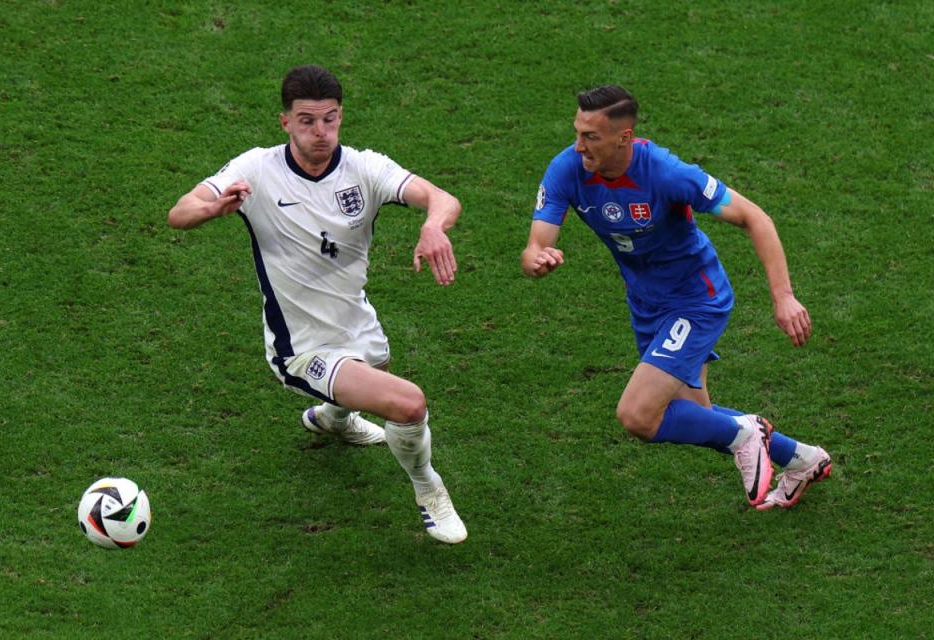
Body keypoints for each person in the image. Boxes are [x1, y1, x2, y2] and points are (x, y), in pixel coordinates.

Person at [168, 65, 467, 542]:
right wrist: (211, 207)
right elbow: (178, 213)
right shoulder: (256, 169)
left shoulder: (365, 168)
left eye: (329, 119)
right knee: (407, 404)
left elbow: (442, 197)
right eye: (307, 121)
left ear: (341, 117)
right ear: (285, 122)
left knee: (376, 366)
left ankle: (331, 419)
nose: (320, 132)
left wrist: (433, 226)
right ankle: (428, 488)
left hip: (355, 322)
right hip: (301, 346)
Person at [522, 85, 832, 509]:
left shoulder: (666, 173)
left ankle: (747, 432)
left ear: (624, 137)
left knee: (637, 415)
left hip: (696, 300)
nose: (579, 146)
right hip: (647, 306)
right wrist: (538, 259)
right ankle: (804, 459)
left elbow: (754, 218)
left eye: (591, 137)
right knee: (695, 417)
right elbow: (534, 245)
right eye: (577, 133)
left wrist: (784, 297)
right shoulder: (567, 169)